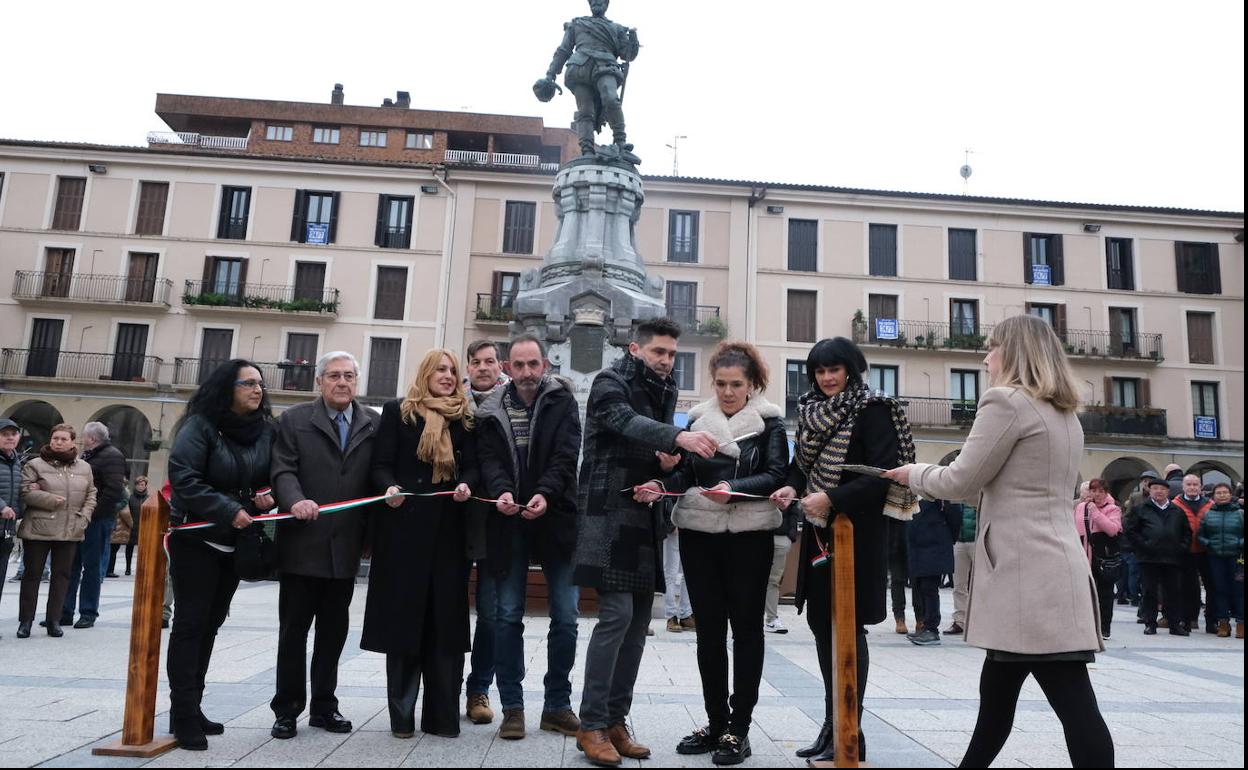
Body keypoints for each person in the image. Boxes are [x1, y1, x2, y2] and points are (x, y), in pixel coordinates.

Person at [883, 314, 1114, 768]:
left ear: (1015, 352)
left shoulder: (1006, 401)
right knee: (1001, 699)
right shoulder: (1065, 415)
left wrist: (913, 473)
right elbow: (1002, 487)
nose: (985, 358)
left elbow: (960, 480)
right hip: (1054, 567)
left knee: (1070, 703)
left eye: (992, 347)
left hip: (1024, 575)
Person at [573, 317, 718, 767]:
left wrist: (665, 470)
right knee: (616, 616)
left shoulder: (665, 389)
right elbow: (624, 421)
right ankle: (590, 725)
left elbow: (657, 454)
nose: (667, 360)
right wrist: (679, 436)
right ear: (635, 349)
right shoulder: (609, 381)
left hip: (642, 514)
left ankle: (615, 721)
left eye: (672, 353)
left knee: (638, 624)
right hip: (605, 512)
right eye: (659, 351)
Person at [771, 337, 918, 764]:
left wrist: (833, 499)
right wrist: (791, 487)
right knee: (822, 625)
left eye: (834, 369)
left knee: (849, 628)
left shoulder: (874, 409)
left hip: (858, 533)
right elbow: (802, 466)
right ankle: (832, 724)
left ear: (851, 371)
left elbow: (882, 474)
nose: (827, 378)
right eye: (819, 371)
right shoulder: (811, 411)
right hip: (820, 531)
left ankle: (850, 729)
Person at [663, 341, 789, 765]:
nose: (728, 391)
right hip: (700, 532)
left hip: (749, 535)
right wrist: (661, 481)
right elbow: (684, 473)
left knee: (747, 631)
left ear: (752, 385)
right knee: (709, 633)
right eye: (721, 383)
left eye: (736, 384)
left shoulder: (770, 423)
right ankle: (716, 722)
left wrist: (733, 490)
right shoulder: (697, 420)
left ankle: (739, 728)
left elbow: (776, 474)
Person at [476, 334, 583, 741]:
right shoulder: (490, 409)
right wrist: (502, 491)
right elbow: (489, 460)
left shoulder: (562, 401)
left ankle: (557, 705)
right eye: (518, 365)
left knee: (567, 616)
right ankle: (513, 708)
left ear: (545, 365)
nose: (526, 372)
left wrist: (545, 493)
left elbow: (566, 455)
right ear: (507, 367)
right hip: (507, 522)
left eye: (533, 364)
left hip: (556, 518)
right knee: (506, 615)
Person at [365, 348, 477, 739]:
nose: (447, 376)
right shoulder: (399, 412)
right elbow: (380, 464)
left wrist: (467, 483)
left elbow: (473, 465)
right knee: (404, 624)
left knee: (445, 626)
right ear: (425, 373)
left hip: (448, 535)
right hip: (403, 534)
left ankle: (442, 718)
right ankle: (402, 718)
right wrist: (388, 487)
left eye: (452, 371)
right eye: (440, 369)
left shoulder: (465, 417)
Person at [166, 359, 277, 750]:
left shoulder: (265, 431)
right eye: (248, 383)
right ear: (226, 388)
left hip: (236, 540)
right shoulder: (199, 427)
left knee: (211, 624)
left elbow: (269, 475)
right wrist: (229, 509)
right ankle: (182, 714)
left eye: (260, 383)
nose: (257, 389)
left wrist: (266, 495)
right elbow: (184, 477)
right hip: (197, 539)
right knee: (190, 625)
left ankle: (193, 705)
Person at [268, 352, 377, 740]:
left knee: (333, 634)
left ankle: (324, 707)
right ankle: (286, 710)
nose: (342, 382)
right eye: (334, 375)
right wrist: (294, 500)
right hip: (302, 545)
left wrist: (372, 535)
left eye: (349, 375)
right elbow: (282, 469)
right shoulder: (294, 420)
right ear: (319, 381)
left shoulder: (373, 423)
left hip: (345, 550)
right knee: (293, 633)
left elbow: (376, 478)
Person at [17, 423, 96, 639]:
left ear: (72, 442)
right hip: (38, 528)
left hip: (70, 529)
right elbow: (24, 492)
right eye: (55, 438)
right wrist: (51, 499)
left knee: (62, 576)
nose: (58, 442)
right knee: (32, 575)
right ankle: (25, 621)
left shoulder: (84, 467)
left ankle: (54, 620)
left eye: (63, 439)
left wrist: (85, 516)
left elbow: (91, 494)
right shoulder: (35, 464)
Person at [463, 339, 507, 725]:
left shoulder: (513, 403)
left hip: (496, 524)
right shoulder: (451, 402)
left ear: (499, 365)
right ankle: (443, 684)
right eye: (475, 362)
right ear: (468, 367)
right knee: (447, 609)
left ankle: (479, 688)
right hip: (453, 522)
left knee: (491, 614)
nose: (482, 367)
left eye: (489, 361)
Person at [540, 0, 640, 159]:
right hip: (579, 68)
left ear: (606, 3)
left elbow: (627, 55)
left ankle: (620, 142)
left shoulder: (617, 28)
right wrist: (550, 75)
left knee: (611, 98)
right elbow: (563, 50)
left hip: (606, 65)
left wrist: (633, 41)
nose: (596, 2)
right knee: (585, 110)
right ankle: (586, 149)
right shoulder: (577, 24)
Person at [61, 421, 127, 628]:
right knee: (71, 565)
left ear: (92, 438)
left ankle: (88, 612)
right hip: (80, 518)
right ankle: (64, 612)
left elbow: (113, 490)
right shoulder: (88, 455)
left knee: (91, 567)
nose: (82, 440)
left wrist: (91, 513)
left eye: (84, 436)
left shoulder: (112, 455)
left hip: (97, 520)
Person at [1128, 477, 1190, 636]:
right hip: (1148, 558)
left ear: (1168, 492)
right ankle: (1150, 623)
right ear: (1150, 491)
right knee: (1149, 592)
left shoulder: (1177, 510)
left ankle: (1174, 624)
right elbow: (1131, 531)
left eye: (1162, 489)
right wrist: (1143, 546)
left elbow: (1186, 532)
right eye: (1155, 488)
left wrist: (1181, 548)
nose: (1159, 491)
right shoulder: (1141, 509)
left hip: (1172, 558)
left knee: (1173, 592)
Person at [907, 498, 963, 646]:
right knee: (921, 587)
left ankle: (932, 629)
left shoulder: (939, 490)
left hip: (935, 544)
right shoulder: (914, 492)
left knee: (929, 588)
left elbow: (954, 513)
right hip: (918, 545)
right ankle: (925, 626)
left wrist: (949, 537)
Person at [1074, 479, 1123, 639]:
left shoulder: (1113, 509)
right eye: (1094, 491)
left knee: (1105, 593)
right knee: (1083, 593)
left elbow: (1112, 530)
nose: (1097, 494)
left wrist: (1095, 512)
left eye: (1101, 491)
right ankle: (1086, 627)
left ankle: (1104, 628)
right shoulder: (1081, 507)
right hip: (1084, 554)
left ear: (1106, 492)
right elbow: (1075, 529)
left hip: (1103, 556)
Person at [1196, 483, 1243, 639]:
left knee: (1239, 590)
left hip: (1237, 558)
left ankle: (1241, 624)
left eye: (1225, 492)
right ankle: (1223, 623)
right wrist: (1209, 544)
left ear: (1230, 495)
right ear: (1214, 496)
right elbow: (1200, 535)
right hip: (1215, 557)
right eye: (1219, 493)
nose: (1222, 495)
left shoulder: (1240, 513)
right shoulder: (1208, 514)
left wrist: (1239, 543)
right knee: (1219, 590)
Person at [1173, 474, 1214, 634]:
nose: (1192, 487)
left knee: (1212, 587)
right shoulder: (1175, 504)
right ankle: (1188, 620)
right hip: (1186, 552)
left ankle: (1212, 621)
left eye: (1195, 484)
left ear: (1200, 487)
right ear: (1183, 486)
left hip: (1207, 551)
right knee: (1187, 588)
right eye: (1189, 484)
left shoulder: (1210, 504)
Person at [765, 483, 801, 635]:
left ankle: (771, 619)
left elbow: (794, 510)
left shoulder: (787, 480)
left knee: (773, 581)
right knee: (750, 580)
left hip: (781, 537)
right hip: (756, 535)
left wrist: (790, 536)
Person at [0, 418, 23, 618]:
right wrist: (1, 507)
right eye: (4, 434)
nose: (10, 438)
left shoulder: (16, 462)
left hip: (6, 529)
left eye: (13, 434)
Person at [947, 501, 978, 636]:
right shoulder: (957, 496)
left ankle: (981, 621)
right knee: (959, 584)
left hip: (977, 540)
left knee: (982, 584)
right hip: (958, 541)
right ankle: (960, 621)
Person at [886, 517, 919, 635]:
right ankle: (899, 618)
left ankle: (920, 618)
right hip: (894, 539)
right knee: (897, 579)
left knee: (917, 580)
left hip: (915, 538)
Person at [662, 521, 695, 633]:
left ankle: (686, 615)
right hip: (674, 524)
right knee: (670, 573)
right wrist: (670, 524)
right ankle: (671, 615)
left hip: (690, 527)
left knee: (688, 573)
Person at [123, 476, 149, 576]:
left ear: (145, 486)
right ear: (135, 485)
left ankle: (141, 568)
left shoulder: (148, 498)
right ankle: (128, 568)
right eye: (138, 484)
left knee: (143, 550)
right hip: (132, 526)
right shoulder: (130, 498)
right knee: (129, 547)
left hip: (144, 527)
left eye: (142, 485)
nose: (140, 487)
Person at [106, 488, 134, 578]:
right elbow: (126, 513)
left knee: (109, 550)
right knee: (113, 551)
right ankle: (109, 570)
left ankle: (107, 570)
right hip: (118, 528)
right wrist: (131, 524)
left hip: (114, 527)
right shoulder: (123, 501)